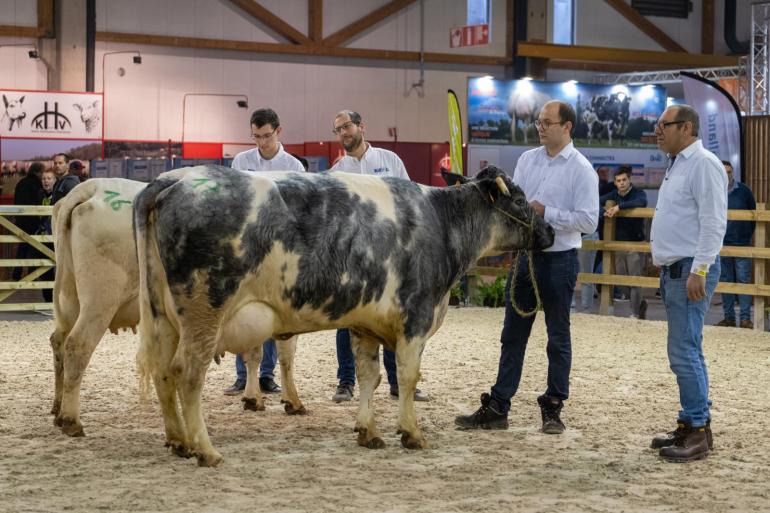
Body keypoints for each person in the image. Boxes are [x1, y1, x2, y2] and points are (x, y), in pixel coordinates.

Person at [455, 100, 598, 434]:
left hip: (559, 260)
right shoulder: (526, 160)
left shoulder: (581, 169)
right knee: (512, 335)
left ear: (567, 126)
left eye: (547, 122)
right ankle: (498, 406)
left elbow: (589, 220)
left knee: (558, 336)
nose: (540, 127)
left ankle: (553, 407)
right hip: (524, 259)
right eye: (538, 122)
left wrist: (546, 212)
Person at [327, 110, 428, 403]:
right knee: (348, 320)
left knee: (392, 318)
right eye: (338, 130)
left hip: (390, 255)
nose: (343, 133)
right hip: (353, 258)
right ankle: (345, 382)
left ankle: (398, 382)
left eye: (347, 126)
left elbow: (410, 201)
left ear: (361, 126)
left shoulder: (389, 160)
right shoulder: (336, 172)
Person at [648, 104, 727, 462]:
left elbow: (714, 222)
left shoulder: (703, 164)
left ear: (688, 128)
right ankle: (693, 423)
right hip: (675, 270)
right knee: (687, 348)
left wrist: (701, 269)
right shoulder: (679, 163)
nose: (658, 131)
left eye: (664, 125)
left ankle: (697, 430)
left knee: (683, 352)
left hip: (689, 272)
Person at [223, 108, 305, 396]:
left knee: (271, 309)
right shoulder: (241, 161)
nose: (261, 142)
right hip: (246, 245)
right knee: (241, 306)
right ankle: (243, 376)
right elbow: (234, 204)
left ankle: (267, 375)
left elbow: (298, 210)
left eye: (266, 136)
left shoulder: (294, 166)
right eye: (256, 136)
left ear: (278, 131)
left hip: (278, 248)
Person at [600, 165, 649, 319]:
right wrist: (606, 210)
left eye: (624, 180)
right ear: (615, 183)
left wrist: (618, 208)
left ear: (629, 180)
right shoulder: (613, 195)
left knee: (634, 280)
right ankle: (640, 304)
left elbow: (641, 202)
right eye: (618, 181)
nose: (621, 183)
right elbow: (597, 203)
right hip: (617, 245)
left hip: (636, 244)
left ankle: (635, 313)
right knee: (621, 282)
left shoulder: (638, 193)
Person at [716, 160, 756, 329]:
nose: (727, 175)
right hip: (722, 244)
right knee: (725, 280)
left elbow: (753, 215)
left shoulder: (744, 191)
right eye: (724, 172)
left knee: (743, 281)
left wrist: (746, 235)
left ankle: (745, 319)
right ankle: (729, 318)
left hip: (742, 244)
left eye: (729, 172)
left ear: (733, 173)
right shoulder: (714, 192)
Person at [12, 162, 44, 281]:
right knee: (34, 247)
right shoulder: (36, 184)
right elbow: (39, 201)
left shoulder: (21, 182)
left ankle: (17, 273)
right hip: (33, 220)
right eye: (42, 172)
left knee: (22, 247)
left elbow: (16, 200)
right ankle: (32, 274)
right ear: (38, 172)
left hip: (20, 219)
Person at [39, 168, 56, 303]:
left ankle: (56, 303)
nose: (46, 181)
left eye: (49, 178)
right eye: (44, 178)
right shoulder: (39, 195)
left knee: (58, 269)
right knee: (43, 269)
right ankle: (47, 301)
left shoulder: (58, 196)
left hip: (55, 238)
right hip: (42, 238)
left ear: (54, 180)